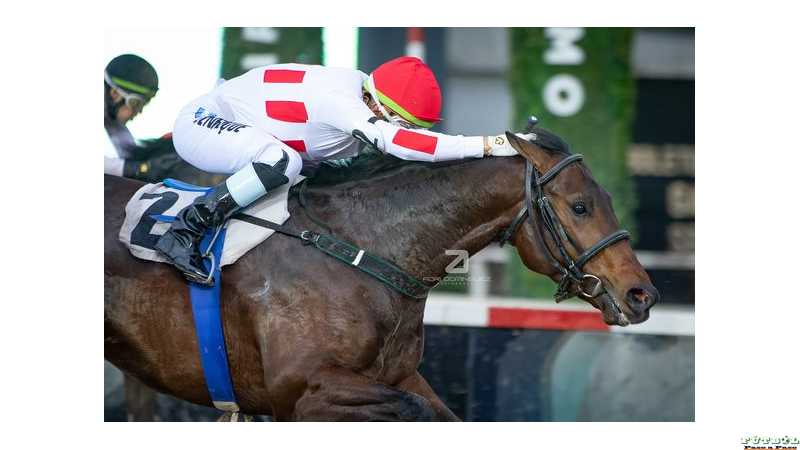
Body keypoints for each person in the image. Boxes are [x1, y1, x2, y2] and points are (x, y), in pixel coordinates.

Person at [156, 56, 522, 285]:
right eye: (406, 124)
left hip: (246, 127)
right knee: (283, 162)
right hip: (202, 124)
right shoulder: (342, 103)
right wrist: (490, 144)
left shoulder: (364, 93)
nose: (411, 132)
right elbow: (401, 144)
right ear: (377, 106)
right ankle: (185, 230)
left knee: (338, 170)